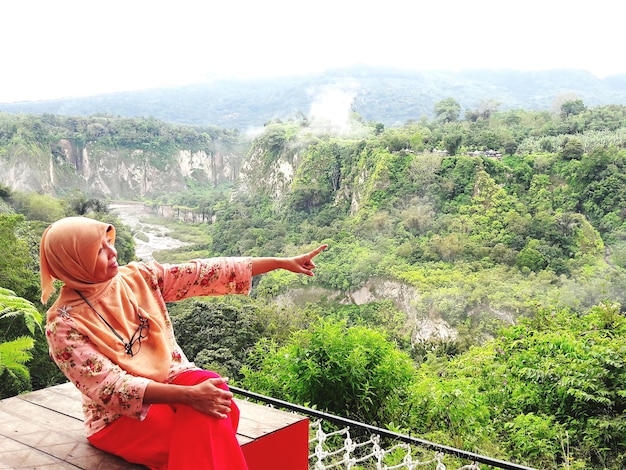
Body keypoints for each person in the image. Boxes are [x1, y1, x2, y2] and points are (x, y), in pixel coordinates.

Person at [40, 216, 327, 470]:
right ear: (73, 262)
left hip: (173, 378)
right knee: (211, 420)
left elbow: (203, 273)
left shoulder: (138, 278)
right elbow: (111, 388)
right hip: (118, 417)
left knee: (214, 392)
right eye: (99, 250)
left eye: (109, 242)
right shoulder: (63, 324)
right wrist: (189, 397)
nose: (113, 252)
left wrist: (279, 263)